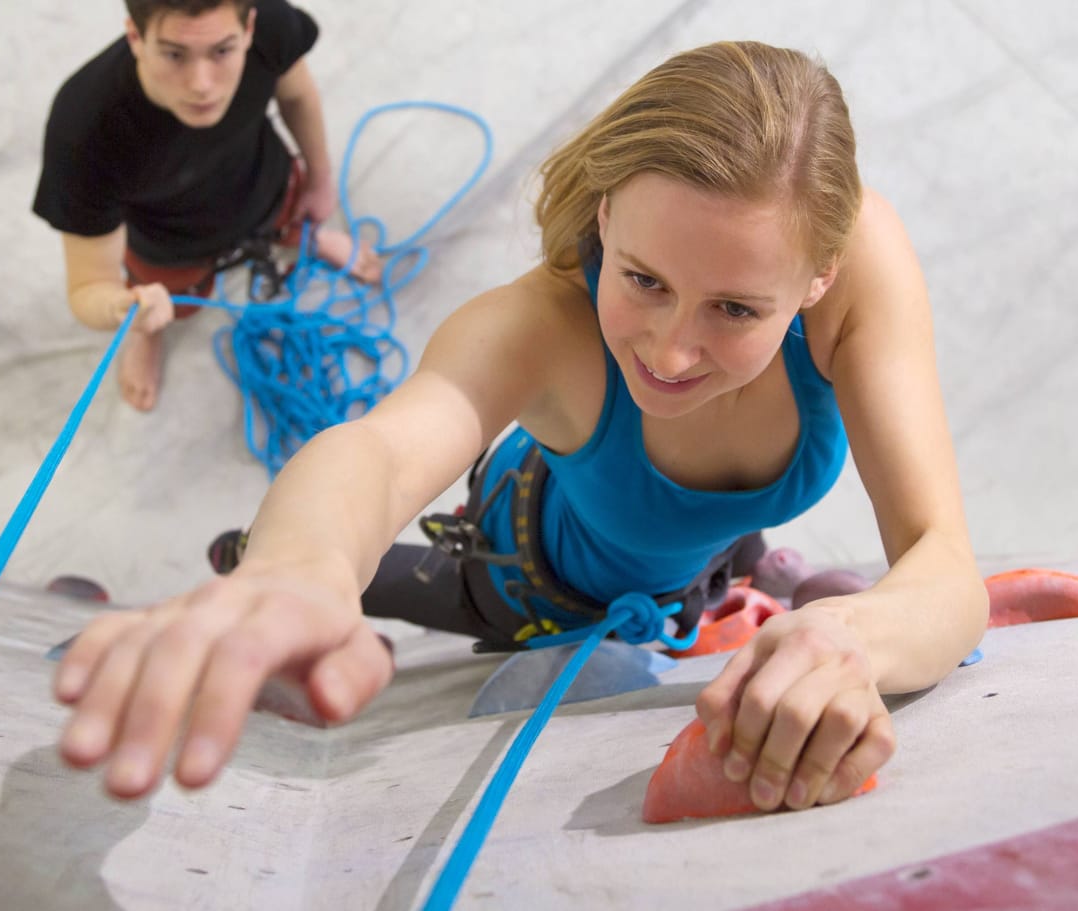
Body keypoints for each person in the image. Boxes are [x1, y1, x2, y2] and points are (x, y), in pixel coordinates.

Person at [52, 41, 989, 816]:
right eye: (644, 279)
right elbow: (380, 453)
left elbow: (943, 558)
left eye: (737, 310)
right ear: (607, 212)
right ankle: (250, 555)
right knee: (396, 579)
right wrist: (301, 565)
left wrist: (854, 634)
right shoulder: (541, 328)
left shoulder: (857, 252)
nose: (669, 351)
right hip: (523, 567)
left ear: (819, 278)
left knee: (720, 549)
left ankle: (732, 571)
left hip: (678, 554)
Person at [32, 0, 381, 412]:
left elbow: (298, 97)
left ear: (249, 29)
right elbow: (87, 287)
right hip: (167, 247)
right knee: (164, 303)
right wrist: (125, 308)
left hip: (268, 184)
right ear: (135, 38)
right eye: (174, 54)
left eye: (222, 51)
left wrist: (320, 180)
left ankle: (309, 237)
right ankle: (149, 331)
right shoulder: (85, 130)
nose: (202, 84)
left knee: (293, 217)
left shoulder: (271, 27)